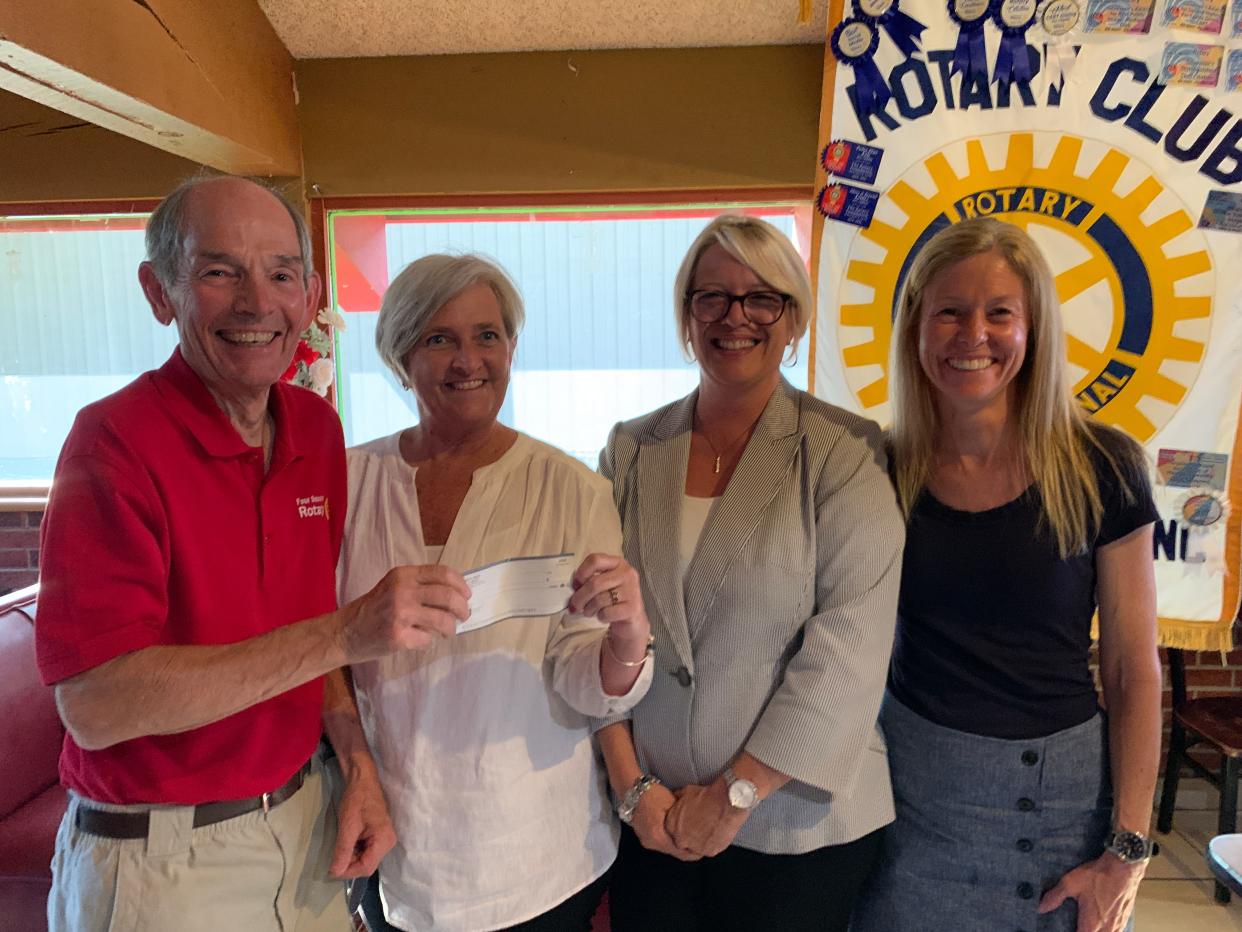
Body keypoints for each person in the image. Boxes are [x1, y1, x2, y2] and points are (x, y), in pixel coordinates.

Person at [36, 175, 465, 932]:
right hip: (161, 861)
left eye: (279, 272)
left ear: (310, 292)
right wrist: (346, 632)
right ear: (159, 291)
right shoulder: (112, 443)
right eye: (217, 271)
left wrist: (356, 762)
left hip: (305, 825)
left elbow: (312, 627)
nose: (255, 302)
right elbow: (96, 705)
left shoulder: (313, 427)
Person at [595, 215, 904, 932]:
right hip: (652, 820)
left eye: (761, 298)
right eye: (713, 298)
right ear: (686, 315)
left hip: (796, 828)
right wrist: (629, 784)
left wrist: (738, 791)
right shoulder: (632, 450)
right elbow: (588, 629)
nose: (736, 317)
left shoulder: (844, 453)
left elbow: (849, 650)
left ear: (792, 318)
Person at [851, 217, 1161, 932]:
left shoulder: (1102, 464)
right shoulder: (880, 468)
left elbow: (1130, 668)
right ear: (916, 328)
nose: (973, 335)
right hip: (914, 805)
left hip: (1063, 809)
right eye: (950, 312)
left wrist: (1127, 849)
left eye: (999, 313)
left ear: (1034, 328)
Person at [336, 253, 654, 932]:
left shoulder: (571, 489)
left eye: (487, 336)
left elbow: (585, 679)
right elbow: (323, 652)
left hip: (535, 857)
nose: (467, 359)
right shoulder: (350, 483)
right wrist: (353, 766)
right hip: (394, 842)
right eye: (439, 338)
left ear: (512, 348)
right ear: (400, 356)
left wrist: (626, 639)